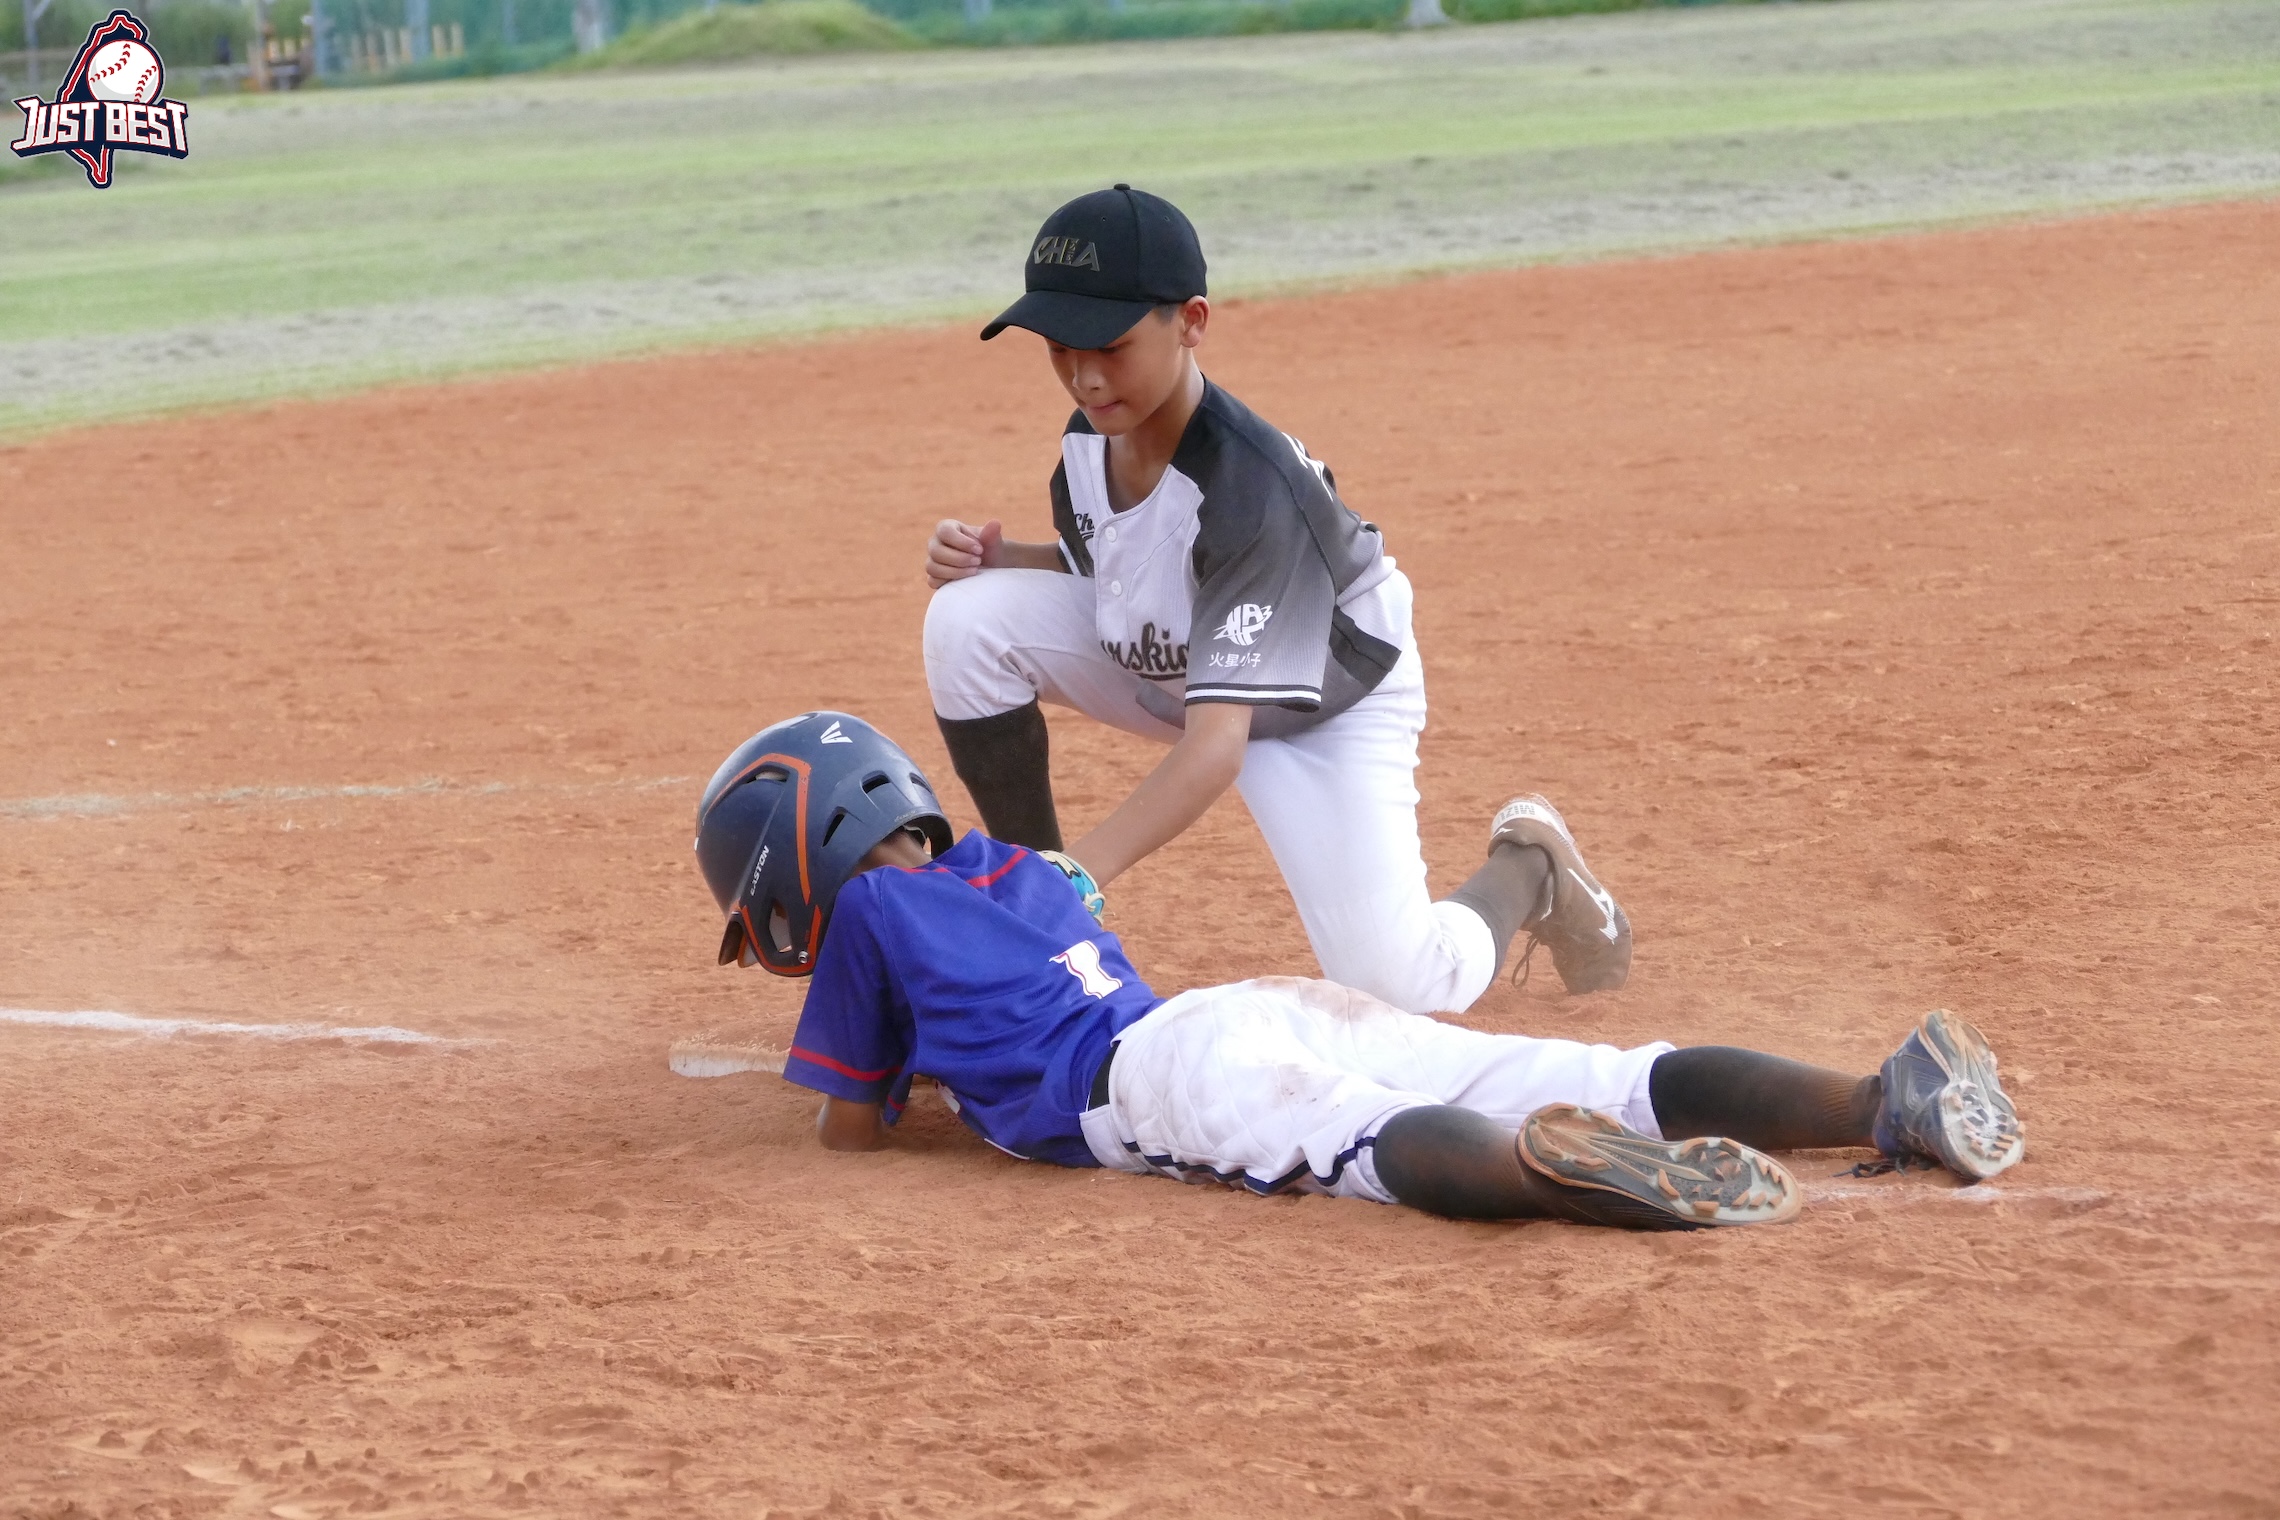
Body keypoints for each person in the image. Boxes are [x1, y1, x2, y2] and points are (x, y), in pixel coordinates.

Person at [692, 713, 2026, 1231]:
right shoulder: (1021, 870)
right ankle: (1878, 1100)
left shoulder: (869, 921)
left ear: (803, 863)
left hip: (1155, 1082)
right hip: (1244, 1006)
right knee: (1581, 1070)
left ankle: (1558, 1175)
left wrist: (886, 1093)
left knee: (1370, 1144)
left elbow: (851, 1135)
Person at [921, 184, 1628, 1019]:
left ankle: (1530, 869)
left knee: (1402, 987)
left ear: (1190, 321)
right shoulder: (1093, 436)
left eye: (1108, 344)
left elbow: (1218, 747)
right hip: (1192, 660)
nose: (1082, 373)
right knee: (967, 620)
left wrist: (1077, 873)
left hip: (1321, 695)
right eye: (1058, 346)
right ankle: (1037, 944)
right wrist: (1009, 559)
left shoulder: (1252, 488)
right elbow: (1125, 560)